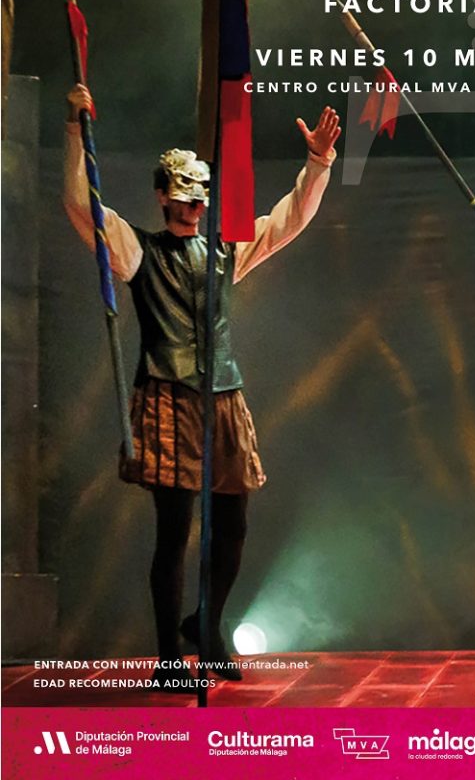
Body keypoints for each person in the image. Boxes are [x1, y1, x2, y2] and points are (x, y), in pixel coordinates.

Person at [63, 84, 341, 687]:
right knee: (174, 532)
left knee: (233, 523)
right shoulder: (139, 252)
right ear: (163, 195)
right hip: (166, 396)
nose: (192, 206)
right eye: (183, 195)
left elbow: (288, 220)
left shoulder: (224, 253)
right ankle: (169, 660)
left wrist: (318, 162)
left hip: (224, 395)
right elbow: (83, 207)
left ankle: (207, 626)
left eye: (199, 197)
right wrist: (74, 131)